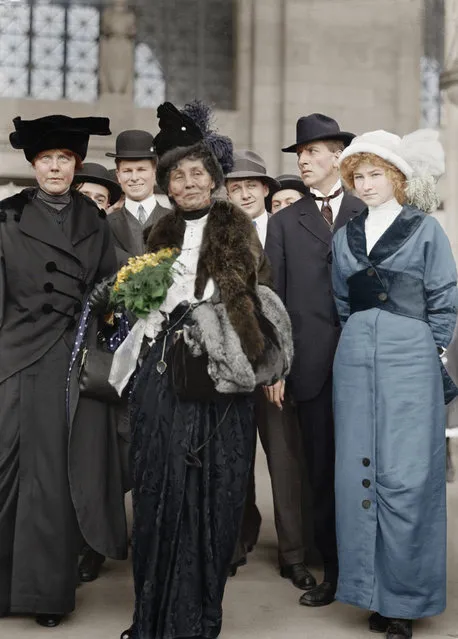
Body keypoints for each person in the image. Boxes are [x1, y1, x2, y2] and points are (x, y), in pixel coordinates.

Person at [110, 101, 293, 639]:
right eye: (177, 174)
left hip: (216, 377)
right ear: (166, 182)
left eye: (198, 173)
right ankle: (153, 618)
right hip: (162, 375)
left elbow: (249, 297)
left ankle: (195, 620)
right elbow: (144, 307)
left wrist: (219, 331)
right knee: (158, 490)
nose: (188, 182)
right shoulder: (159, 231)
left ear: (213, 179)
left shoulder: (233, 224)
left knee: (211, 494)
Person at [0, 115, 127, 628]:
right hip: (14, 354)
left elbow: (111, 289)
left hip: (70, 360)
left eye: (65, 161)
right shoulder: (6, 217)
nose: (55, 168)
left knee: (53, 477)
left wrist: (104, 316)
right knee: (8, 469)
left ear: (76, 167)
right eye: (47, 160)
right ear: (34, 166)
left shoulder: (93, 221)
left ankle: (47, 596)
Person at [333, 129, 457, 639]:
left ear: (397, 177)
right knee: (357, 470)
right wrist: (363, 336)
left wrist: (431, 350)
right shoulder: (345, 236)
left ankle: (405, 600)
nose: (365, 184)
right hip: (356, 358)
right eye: (357, 176)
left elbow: (444, 296)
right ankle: (370, 591)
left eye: (374, 174)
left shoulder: (426, 230)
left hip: (411, 360)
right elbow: (342, 300)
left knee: (408, 475)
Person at [266, 113, 366, 607]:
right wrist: (278, 366)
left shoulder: (369, 211)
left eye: (312, 152)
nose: (304, 160)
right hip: (308, 369)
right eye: (299, 153)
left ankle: (371, 569)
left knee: (367, 467)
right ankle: (333, 573)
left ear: (337, 157)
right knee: (322, 473)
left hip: (366, 362)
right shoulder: (284, 222)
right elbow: (274, 301)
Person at [226, 152, 315, 590]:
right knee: (234, 458)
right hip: (230, 367)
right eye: (234, 187)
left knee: (283, 459)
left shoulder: (284, 230)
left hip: (274, 367)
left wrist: (278, 366)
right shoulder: (219, 234)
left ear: (265, 189)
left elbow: (290, 303)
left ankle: (293, 554)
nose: (243, 193)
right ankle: (238, 540)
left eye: (250, 186)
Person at [73, 161, 127, 583]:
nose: (93, 204)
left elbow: (121, 310)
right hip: (48, 362)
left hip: (93, 363)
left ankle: (91, 546)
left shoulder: (113, 251)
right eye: (86, 195)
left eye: (101, 198)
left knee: (92, 462)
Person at [106, 130, 170, 261]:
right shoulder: (105, 225)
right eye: (127, 171)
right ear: (118, 175)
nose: (134, 178)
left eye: (141, 169)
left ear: (155, 172)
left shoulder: (177, 222)